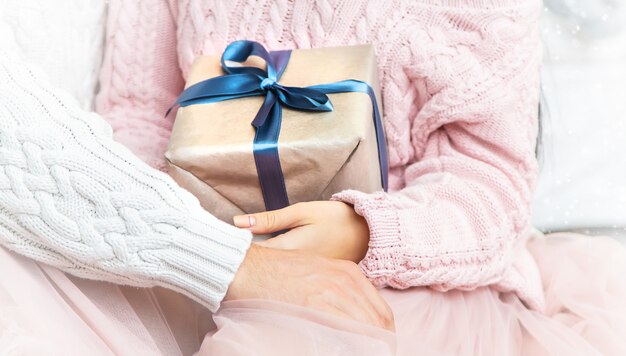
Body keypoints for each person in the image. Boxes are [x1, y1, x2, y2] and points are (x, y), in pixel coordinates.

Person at [1, 0, 625, 355]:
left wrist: (360, 231)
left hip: (405, 282)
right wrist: (202, 245)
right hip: (205, 261)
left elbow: (491, 186)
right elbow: (137, 117)